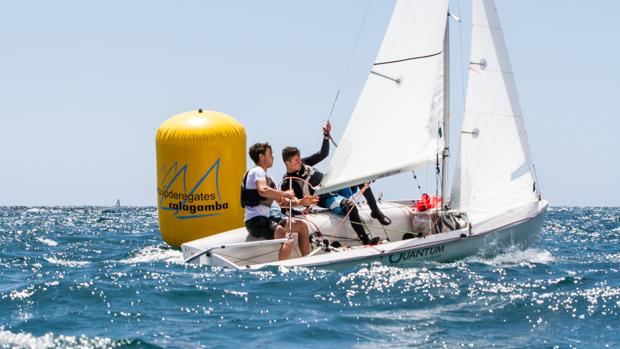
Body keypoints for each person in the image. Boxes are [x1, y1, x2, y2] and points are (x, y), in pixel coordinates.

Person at [281, 122, 391, 245]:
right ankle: (365, 240)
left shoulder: (304, 163)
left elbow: (323, 154)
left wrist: (326, 135)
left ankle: (375, 211)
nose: (299, 162)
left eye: (299, 159)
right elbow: (285, 208)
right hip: (327, 198)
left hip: (335, 186)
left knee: (360, 179)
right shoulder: (287, 183)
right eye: (296, 161)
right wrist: (301, 212)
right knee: (350, 206)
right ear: (287, 163)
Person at [241, 142, 315, 260]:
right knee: (287, 238)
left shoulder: (267, 178)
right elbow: (263, 190)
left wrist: (302, 202)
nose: (273, 157)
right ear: (261, 157)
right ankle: (281, 270)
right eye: (270, 154)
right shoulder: (257, 171)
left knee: (302, 226)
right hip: (255, 221)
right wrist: (285, 193)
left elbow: (282, 202)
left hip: (267, 217)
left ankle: (308, 260)